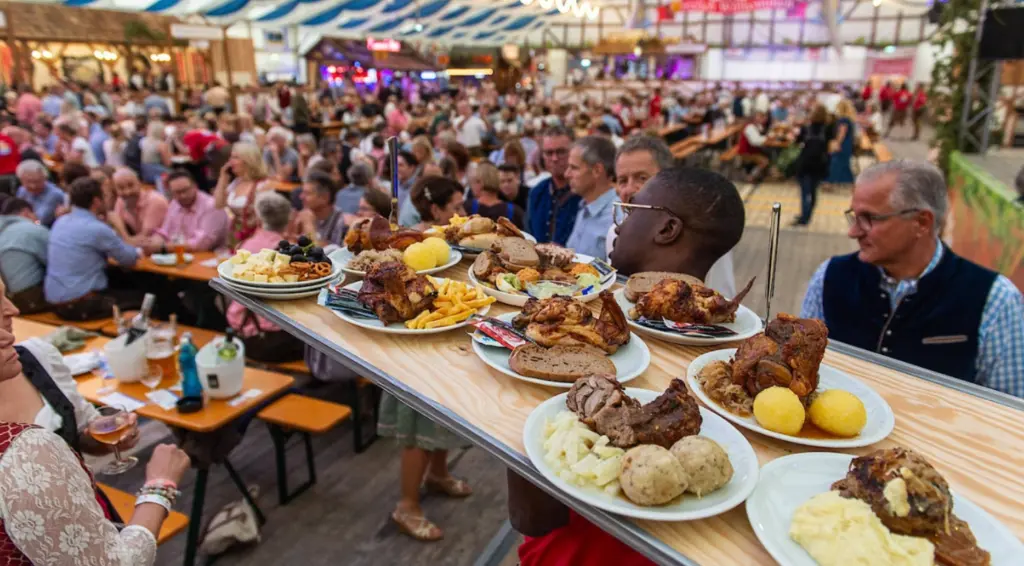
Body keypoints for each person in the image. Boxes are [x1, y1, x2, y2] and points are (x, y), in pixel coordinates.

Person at [515, 166, 745, 565]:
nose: (616, 223)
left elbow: (531, 518)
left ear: (667, 229)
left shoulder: (607, 341)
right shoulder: (730, 354)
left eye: (630, 209)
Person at [0, 280, 192, 565]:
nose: (13, 310)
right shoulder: (23, 449)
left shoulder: (33, 358)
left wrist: (101, 437)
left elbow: (79, 435)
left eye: (6, 294)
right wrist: (159, 486)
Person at [801, 160, 1024, 397]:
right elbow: (800, 367)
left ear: (921, 222)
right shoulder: (830, 276)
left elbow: (1013, 412)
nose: (853, 231)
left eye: (870, 218)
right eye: (854, 217)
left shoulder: (995, 299)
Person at [383, 174, 470, 541]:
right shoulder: (412, 243)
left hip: (442, 338)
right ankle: (406, 504)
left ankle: (438, 474)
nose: (463, 213)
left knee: (442, 416)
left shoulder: (448, 241)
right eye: (456, 207)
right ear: (435, 209)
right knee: (419, 427)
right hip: (417, 347)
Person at [605, 136, 737, 296]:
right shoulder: (615, 233)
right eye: (622, 180)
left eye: (642, 178)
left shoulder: (699, 236)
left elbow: (723, 298)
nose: (629, 189)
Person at [45, 177, 140, 321]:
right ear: (96, 201)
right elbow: (129, 259)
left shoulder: (61, 221)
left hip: (55, 301)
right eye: (106, 196)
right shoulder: (97, 228)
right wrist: (125, 234)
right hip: (81, 304)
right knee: (147, 299)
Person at [226, 192, 305, 363]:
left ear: (260, 217)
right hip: (270, 339)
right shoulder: (287, 252)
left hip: (242, 330)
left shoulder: (247, 244)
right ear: (289, 218)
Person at [144, 169, 229, 253]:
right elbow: (165, 231)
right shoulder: (175, 203)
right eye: (177, 192)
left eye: (185, 190)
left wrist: (163, 248)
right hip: (180, 255)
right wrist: (154, 242)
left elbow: (201, 245)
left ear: (195, 186)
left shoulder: (212, 206)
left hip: (209, 257)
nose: (182, 195)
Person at [564, 136, 617, 261]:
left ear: (597, 170)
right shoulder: (585, 205)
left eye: (574, 168)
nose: (567, 174)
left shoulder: (616, 217)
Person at [528, 126, 580, 245]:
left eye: (561, 152)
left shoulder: (584, 193)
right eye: (549, 153)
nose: (554, 158)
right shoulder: (537, 192)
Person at [215, 142, 272, 246]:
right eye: (230, 158)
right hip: (234, 237)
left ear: (248, 160)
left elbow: (267, 219)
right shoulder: (236, 182)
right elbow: (218, 204)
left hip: (255, 239)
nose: (230, 162)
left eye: (235, 158)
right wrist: (223, 178)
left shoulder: (263, 186)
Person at [0, 198, 49, 313]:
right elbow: (57, 262)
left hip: (8, 298)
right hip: (30, 299)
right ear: (26, 212)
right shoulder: (33, 229)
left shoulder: (3, 231)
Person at [791, 105, 835, 227]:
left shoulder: (806, 128)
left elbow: (797, 141)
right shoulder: (828, 129)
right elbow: (831, 146)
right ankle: (808, 215)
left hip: (805, 162)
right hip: (820, 163)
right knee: (814, 191)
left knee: (805, 192)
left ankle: (803, 218)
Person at [291, 171, 347, 247]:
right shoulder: (304, 215)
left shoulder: (341, 222)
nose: (301, 197)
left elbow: (327, 254)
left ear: (324, 197)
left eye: (307, 193)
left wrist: (309, 225)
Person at [111, 167, 169, 241]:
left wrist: (126, 239)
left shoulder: (155, 201)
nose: (127, 192)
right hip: (140, 246)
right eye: (121, 188)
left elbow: (145, 237)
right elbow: (117, 232)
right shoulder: (120, 201)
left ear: (139, 183)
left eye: (131, 185)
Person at [467, 161, 525, 227]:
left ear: (480, 182)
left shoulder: (466, 208)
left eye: (474, 182)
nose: (471, 186)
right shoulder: (516, 212)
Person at [15, 159, 64, 227]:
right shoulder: (22, 190)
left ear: (45, 178)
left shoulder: (55, 194)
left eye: (37, 181)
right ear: (21, 180)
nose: (33, 186)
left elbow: (40, 221)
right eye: (28, 181)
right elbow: (15, 215)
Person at [826, 99, 857, 185]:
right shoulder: (850, 119)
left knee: (836, 163)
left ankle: (831, 181)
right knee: (844, 164)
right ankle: (849, 181)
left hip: (843, 144)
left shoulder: (843, 120)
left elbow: (842, 133)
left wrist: (837, 143)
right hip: (848, 143)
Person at [737, 112, 770, 182]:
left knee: (768, 153)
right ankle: (751, 176)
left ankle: (761, 174)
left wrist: (766, 137)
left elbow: (760, 136)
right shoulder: (750, 127)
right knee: (764, 161)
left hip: (752, 150)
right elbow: (755, 141)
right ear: (754, 119)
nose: (763, 119)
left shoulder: (757, 126)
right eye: (760, 117)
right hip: (746, 152)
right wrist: (767, 138)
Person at [140, 120, 172, 185]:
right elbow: (168, 163)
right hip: (158, 174)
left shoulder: (143, 141)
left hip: (145, 173)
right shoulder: (161, 144)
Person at [395, 151, 422, 227]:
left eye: (401, 165)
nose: (396, 168)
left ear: (412, 167)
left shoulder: (418, 187)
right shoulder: (395, 185)